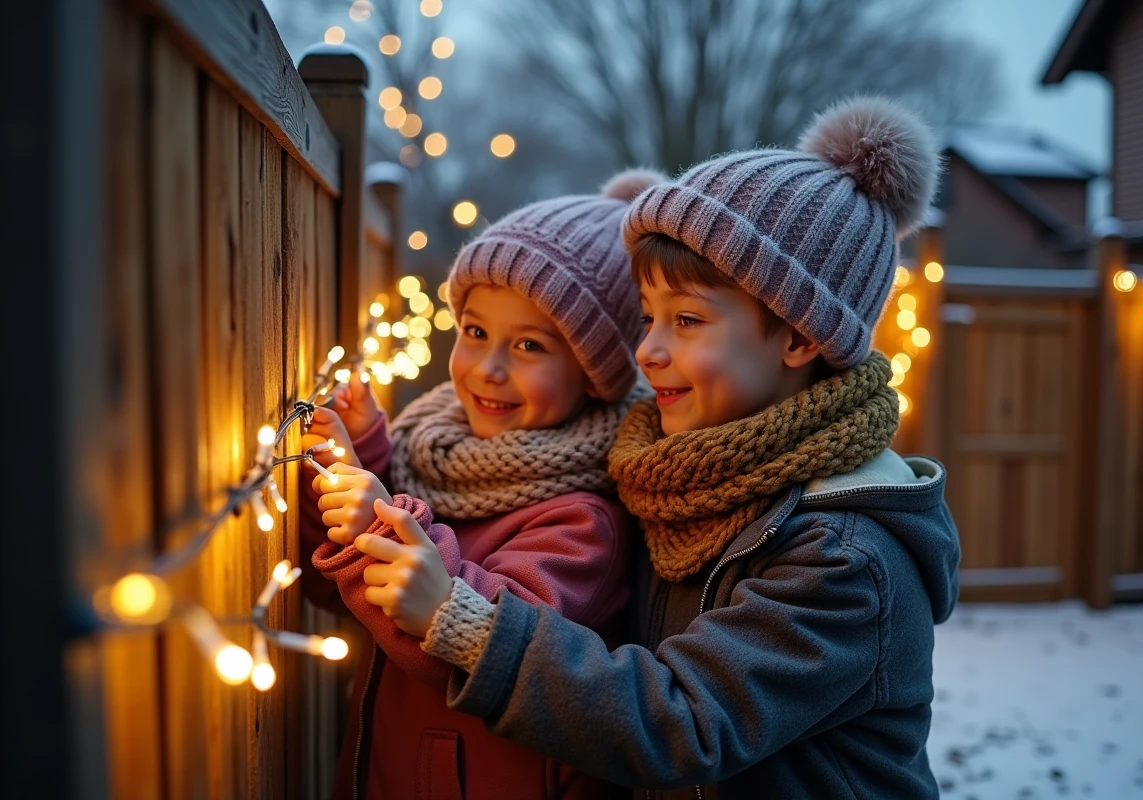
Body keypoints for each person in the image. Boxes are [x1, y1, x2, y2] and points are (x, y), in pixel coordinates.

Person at [358, 96, 962, 798]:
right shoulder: (673, 480)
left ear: (800, 337)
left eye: (686, 319)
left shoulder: (844, 557)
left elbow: (683, 720)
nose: (648, 350)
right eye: (647, 317)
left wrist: (465, 623)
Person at [298, 168, 664, 800]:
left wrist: (375, 525)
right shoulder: (436, 454)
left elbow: (467, 644)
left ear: (594, 374)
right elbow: (339, 597)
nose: (489, 369)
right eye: (475, 333)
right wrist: (358, 464)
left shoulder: (582, 521)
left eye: (528, 345)